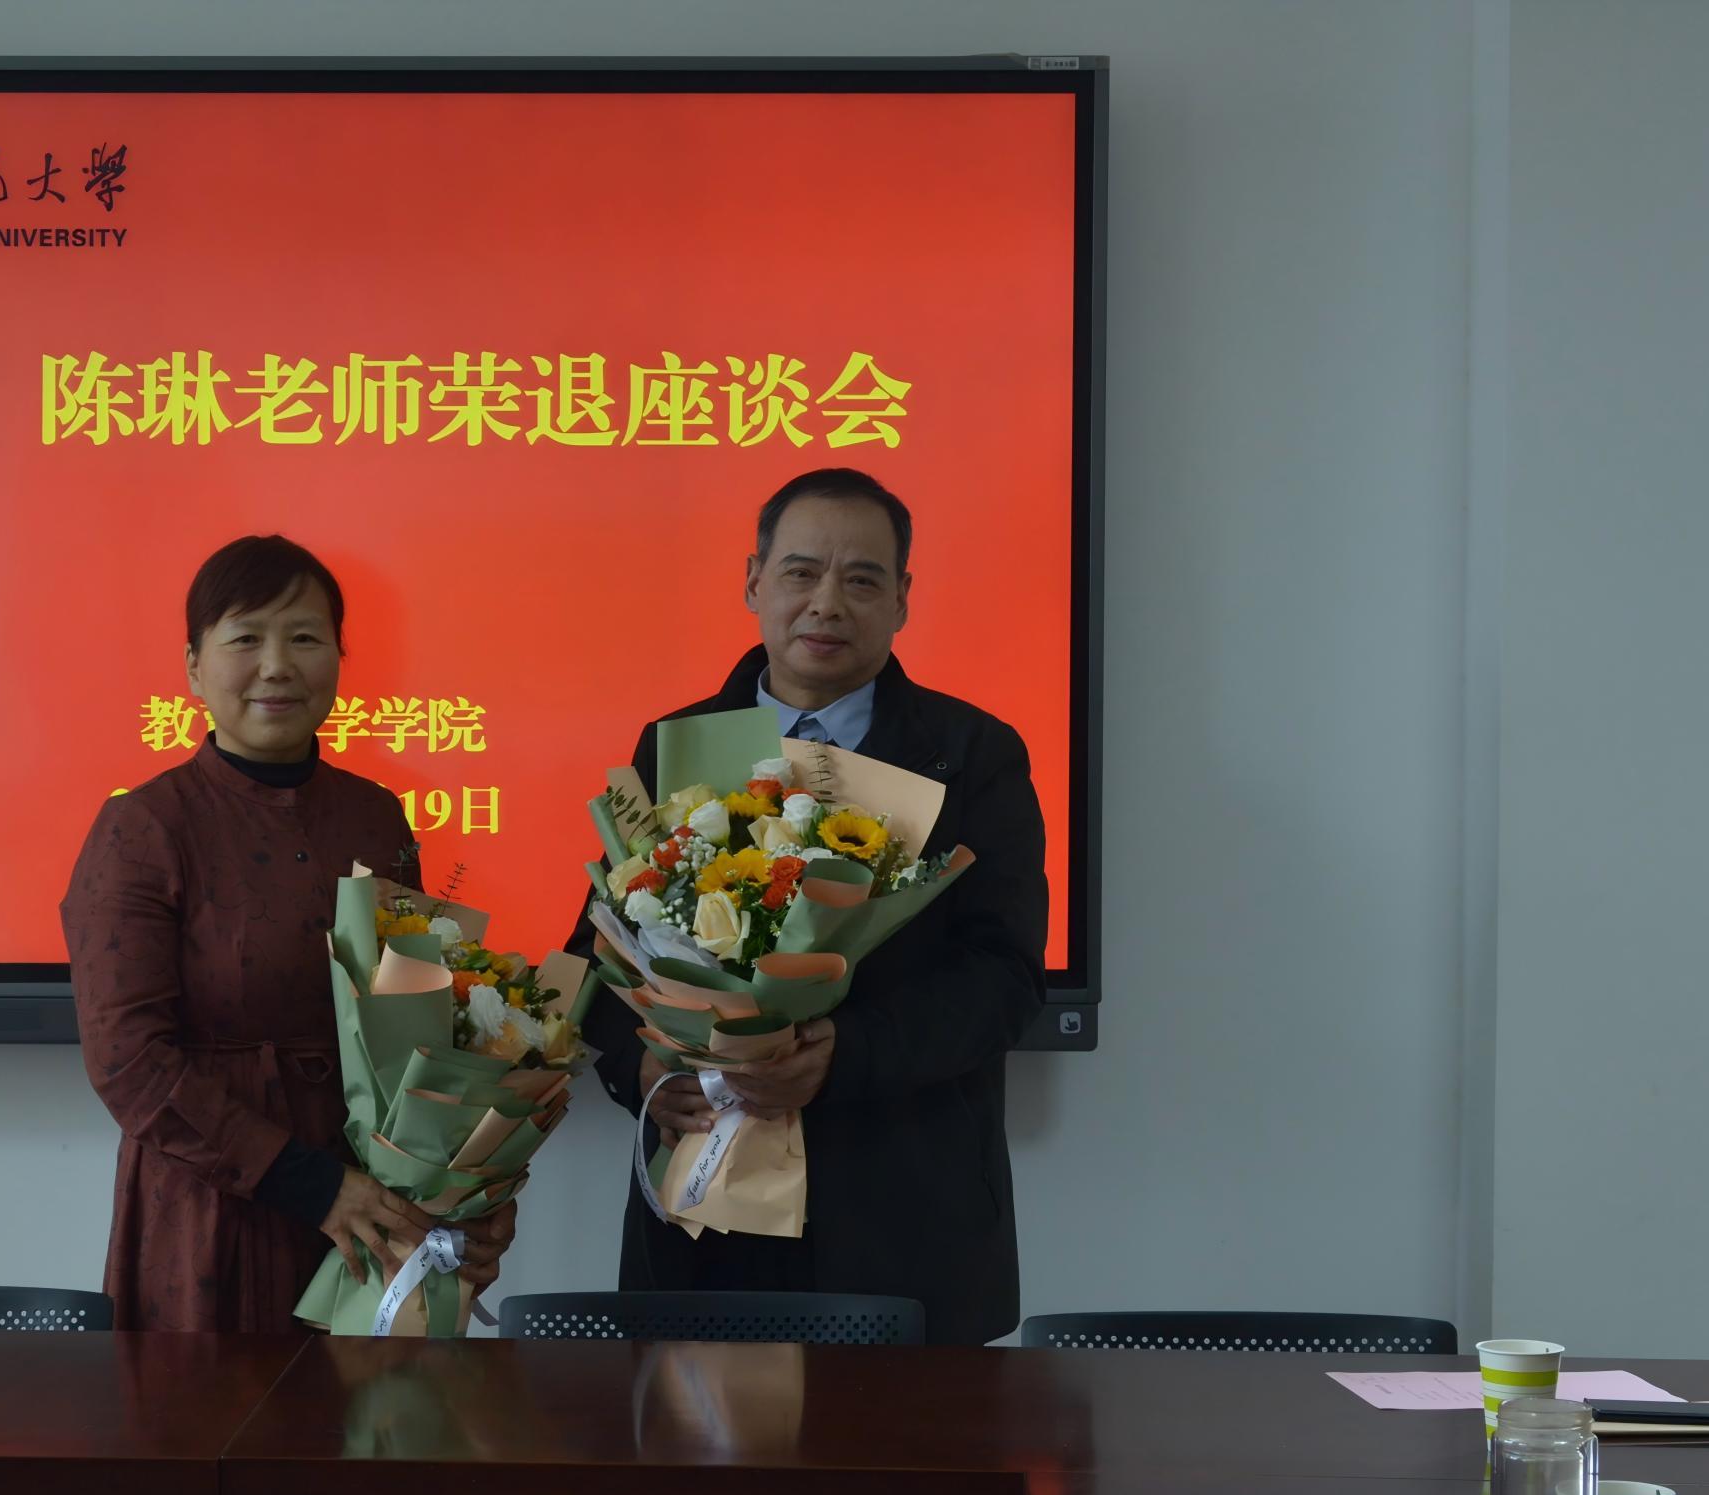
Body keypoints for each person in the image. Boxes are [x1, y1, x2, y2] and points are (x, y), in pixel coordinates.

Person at [566, 469, 1047, 1344]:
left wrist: (844, 1054)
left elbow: (1005, 978)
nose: (826, 602)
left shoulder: (972, 753)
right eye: (800, 572)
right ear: (754, 582)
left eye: (861, 579)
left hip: (903, 1214)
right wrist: (641, 1074)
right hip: (705, 1218)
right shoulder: (674, 745)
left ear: (900, 599)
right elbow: (601, 954)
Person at [62, 535, 515, 1332]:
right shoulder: (144, 827)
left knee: (370, 1405)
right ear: (194, 666)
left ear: (338, 657)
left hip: (374, 1196)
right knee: (212, 1406)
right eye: (245, 639)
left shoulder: (375, 818)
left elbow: (421, 1020)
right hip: (213, 1206)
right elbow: (127, 1061)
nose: (277, 666)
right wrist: (311, 1186)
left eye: (304, 638)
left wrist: (465, 1192)